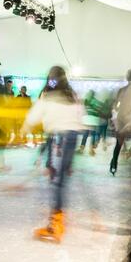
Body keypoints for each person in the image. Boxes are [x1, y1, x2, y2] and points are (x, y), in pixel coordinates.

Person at [21, 66, 85, 243]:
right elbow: (81, 115)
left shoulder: (47, 96)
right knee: (61, 179)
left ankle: (56, 224)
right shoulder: (72, 96)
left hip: (59, 138)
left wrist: (24, 129)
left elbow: (33, 118)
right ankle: (59, 218)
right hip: (72, 137)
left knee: (56, 181)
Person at [110, 69, 131, 176]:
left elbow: (115, 106)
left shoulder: (122, 90)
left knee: (119, 144)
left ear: (128, 77)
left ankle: (113, 165)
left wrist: (115, 118)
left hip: (123, 119)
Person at [78, 90, 103, 156]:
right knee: (93, 135)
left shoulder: (86, 100)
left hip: (87, 119)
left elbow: (84, 110)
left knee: (85, 134)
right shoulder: (96, 102)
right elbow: (99, 110)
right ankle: (91, 150)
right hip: (94, 120)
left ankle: (82, 148)